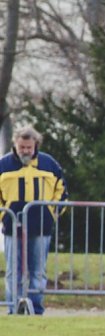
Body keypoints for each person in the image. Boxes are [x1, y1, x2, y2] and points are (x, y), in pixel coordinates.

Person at [0, 125, 68, 315]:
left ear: (35, 145)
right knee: (14, 272)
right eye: (22, 147)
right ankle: (14, 309)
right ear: (15, 144)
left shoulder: (49, 164)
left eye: (29, 147)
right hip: (12, 225)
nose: (25, 151)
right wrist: (4, 215)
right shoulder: (3, 165)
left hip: (41, 226)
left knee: (38, 271)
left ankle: (36, 309)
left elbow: (61, 191)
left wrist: (52, 212)